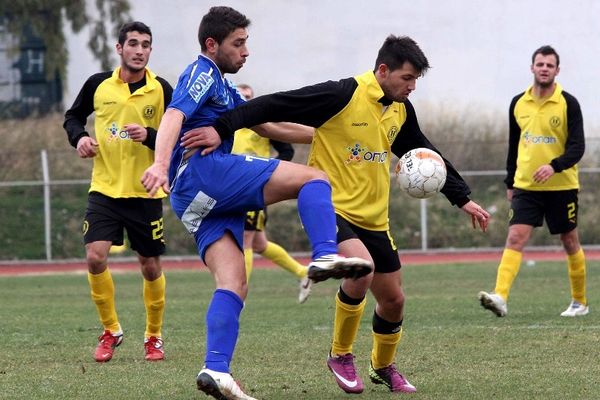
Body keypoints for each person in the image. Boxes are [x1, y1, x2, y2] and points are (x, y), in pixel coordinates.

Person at [186, 35, 490, 394]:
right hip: (331, 208)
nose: (411, 87)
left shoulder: (400, 110)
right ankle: (341, 355)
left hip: (375, 218)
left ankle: (383, 365)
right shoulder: (341, 95)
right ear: (383, 70)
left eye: (416, 81)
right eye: (407, 78)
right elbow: (274, 104)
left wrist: (462, 197)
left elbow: (425, 151)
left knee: (394, 300)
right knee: (361, 270)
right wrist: (221, 127)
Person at [140, 7, 372, 400]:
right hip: (203, 172)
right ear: (212, 45)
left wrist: (328, 136)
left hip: (192, 198)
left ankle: (216, 369)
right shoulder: (201, 71)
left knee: (233, 283)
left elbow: (268, 126)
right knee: (314, 179)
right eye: (239, 43)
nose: (246, 51)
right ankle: (325, 253)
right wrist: (160, 163)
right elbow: (175, 115)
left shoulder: (226, 89)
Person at [63, 21, 172, 362]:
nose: (140, 50)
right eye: (134, 44)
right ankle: (111, 330)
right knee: (95, 257)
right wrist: (79, 138)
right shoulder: (98, 84)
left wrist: (150, 136)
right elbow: (72, 117)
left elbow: (180, 136)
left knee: (150, 266)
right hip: (105, 190)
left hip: (146, 192)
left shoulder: (162, 90)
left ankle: (153, 337)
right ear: (119, 48)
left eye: (146, 45)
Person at [478, 45, 587, 318]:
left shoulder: (568, 103)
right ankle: (500, 296)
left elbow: (578, 147)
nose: (544, 68)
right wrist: (509, 182)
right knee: (515, 236)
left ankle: (579, 302)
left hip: (562, 187)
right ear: (532, 68)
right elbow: (514, 147)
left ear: (557, 70)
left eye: (550, 65)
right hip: (526, 186)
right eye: (540, 64)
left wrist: (554, 166)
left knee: (569, 240)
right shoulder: (518, 102)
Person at [232, 83, 312, 303]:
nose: (245, 99)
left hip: (252, 187)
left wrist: (267, 173)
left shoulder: (260, 123)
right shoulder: (229, 121)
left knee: (245, 239)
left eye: (249, 96)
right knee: (259, 244)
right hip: (232, 187)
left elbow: (287, 150)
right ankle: (303, 273)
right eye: (241, 96)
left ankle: (240, 293)